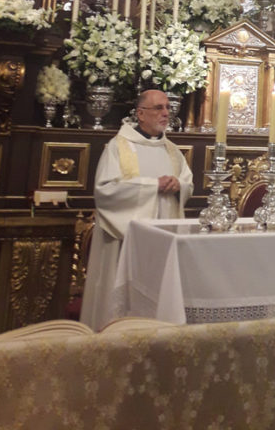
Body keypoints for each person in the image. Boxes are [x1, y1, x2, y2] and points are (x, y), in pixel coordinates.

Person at [80, 89, 193, 330]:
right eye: (159, 108)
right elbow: (106, 190)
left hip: (163, 239)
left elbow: (187, 182)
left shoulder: (171, 149)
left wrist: (178, 186)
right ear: (140, 114)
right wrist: (153, 186)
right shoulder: (118, 147)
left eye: (167, 108)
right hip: (124, 243)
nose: (165, 113)